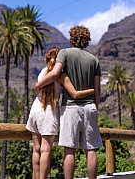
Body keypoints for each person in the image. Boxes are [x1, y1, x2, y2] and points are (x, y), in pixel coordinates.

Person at [35, 26, 103, 179]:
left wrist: (39, 85)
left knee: (70, 149)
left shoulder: (65, 53)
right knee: (91, 149)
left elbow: (54, 74)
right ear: (87, 40)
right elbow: (97, 88)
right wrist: (95, 106)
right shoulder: (94, 60)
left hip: (71, 108)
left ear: (71, 37)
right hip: (90, 106)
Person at [27, 46, 95, 179]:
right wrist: (93, 90)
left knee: (36, 149)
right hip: (48, 111)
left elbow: (38, 89)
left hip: (35, 109)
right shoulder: (62, 76)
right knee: (45, 150)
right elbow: (74, 94)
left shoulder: (43, 72)